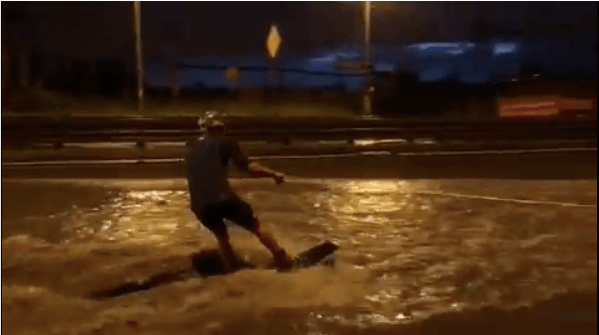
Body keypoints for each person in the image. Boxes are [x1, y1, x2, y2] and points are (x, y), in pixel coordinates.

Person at [185, 111, 294, 271]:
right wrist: (274, 174)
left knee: (222, 237)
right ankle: (282, 259)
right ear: (219, 128)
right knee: (257, 227)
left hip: (199, 205)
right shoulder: (224, 142)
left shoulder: (190, 146)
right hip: (223, 198)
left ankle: (233, 271)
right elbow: (249, 169)